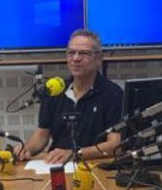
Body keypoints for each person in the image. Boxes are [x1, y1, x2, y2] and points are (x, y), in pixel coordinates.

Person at [14, 29, 123, 165]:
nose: (76, 58)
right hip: (55, 166)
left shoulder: (112, 93)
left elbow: (115, 145)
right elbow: (42, 134)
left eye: (83, 53)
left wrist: (75, 153)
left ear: (98, 59)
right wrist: (26, 149)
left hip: (93, 167)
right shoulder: (55, 90)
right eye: (71, 53)